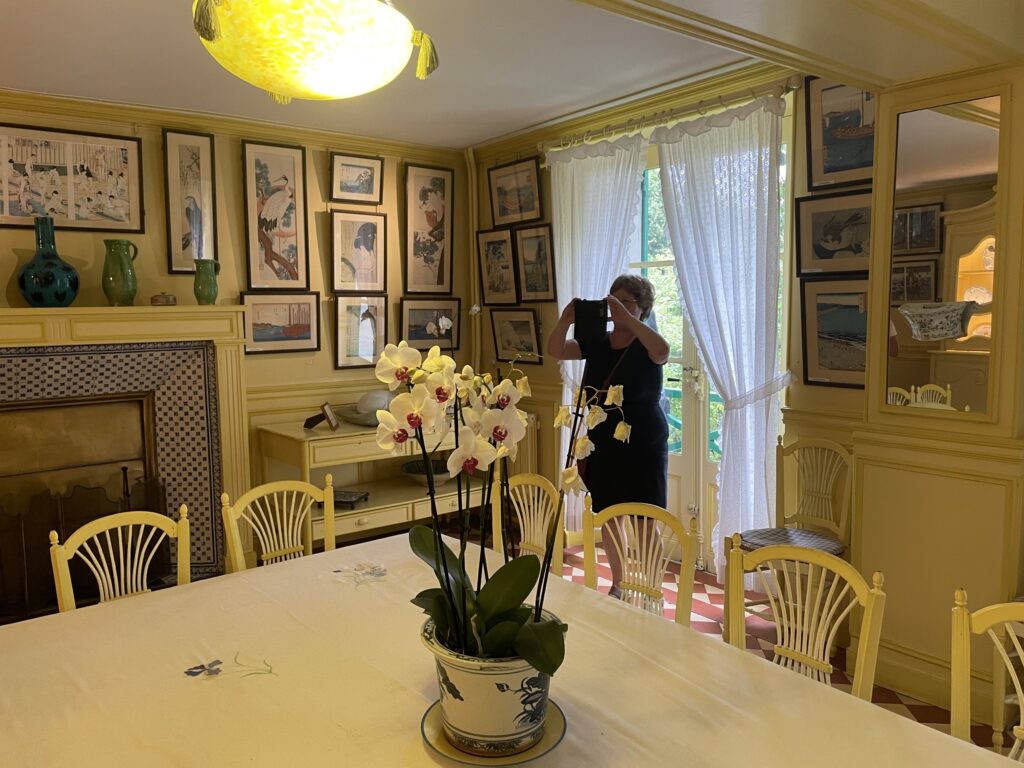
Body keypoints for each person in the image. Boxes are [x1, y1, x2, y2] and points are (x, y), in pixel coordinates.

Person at [547, 274, 670, 596]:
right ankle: (619, 584)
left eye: (626, 302)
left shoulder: (647, 343)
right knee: (611, 515)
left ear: (642, 308)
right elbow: (556, 350)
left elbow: (663, 351)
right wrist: (566, 319)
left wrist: (631, 320)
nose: (617, 309)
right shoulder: (598, 341)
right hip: (602, 436)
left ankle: (652, 588)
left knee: (645, 518)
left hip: (643, 439)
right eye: (613, 302)